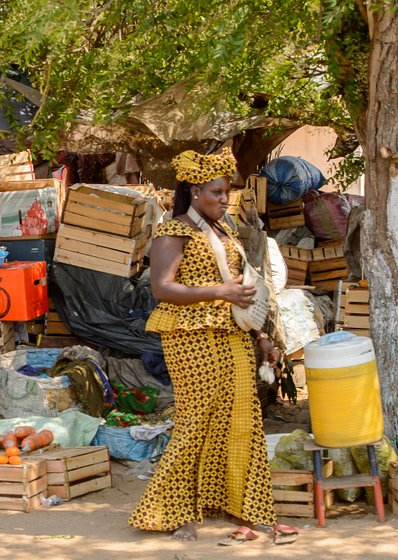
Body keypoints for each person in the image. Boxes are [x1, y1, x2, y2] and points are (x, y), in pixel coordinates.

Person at [128, 147, 297, 545]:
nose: (224, 199)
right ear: (194, 191)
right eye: (217, 193)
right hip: (191, 338)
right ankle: (169, 510)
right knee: (197, 421)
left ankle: (241, 505)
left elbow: (244, 291)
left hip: (234, 336)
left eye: (226, 193)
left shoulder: (228, 232)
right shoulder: (174, 232)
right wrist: (217, 291)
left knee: (241, 418)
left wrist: (262, 336)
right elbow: (162, 288)